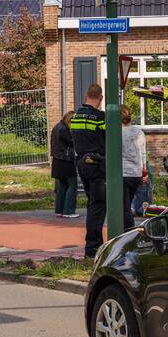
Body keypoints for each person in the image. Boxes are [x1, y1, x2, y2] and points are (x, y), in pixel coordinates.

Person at [70, 83, 107, 258]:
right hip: (97, 164)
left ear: (86, 96)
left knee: (93, 203)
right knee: (98, 207)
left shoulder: (76, 116)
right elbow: (111, 138)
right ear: (100, 98)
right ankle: (93, 248)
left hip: (82, 163)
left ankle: (94, 245)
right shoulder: (100, 117)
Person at [119, 105, 147, 230]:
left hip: (122, 173)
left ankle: (128, 232)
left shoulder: (116, 132)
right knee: (128, 203)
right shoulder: (139, 132)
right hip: (136, 173)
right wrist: (144, 172)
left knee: (124, 207)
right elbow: (143, 154)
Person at [49, 111, 79, 218]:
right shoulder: (64, 130)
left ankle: (59, 210)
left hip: (57, 161)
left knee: (62, 186)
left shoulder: (57, 127)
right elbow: (73, 142)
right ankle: (69, 211)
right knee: (72, 185)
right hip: (66, 161)